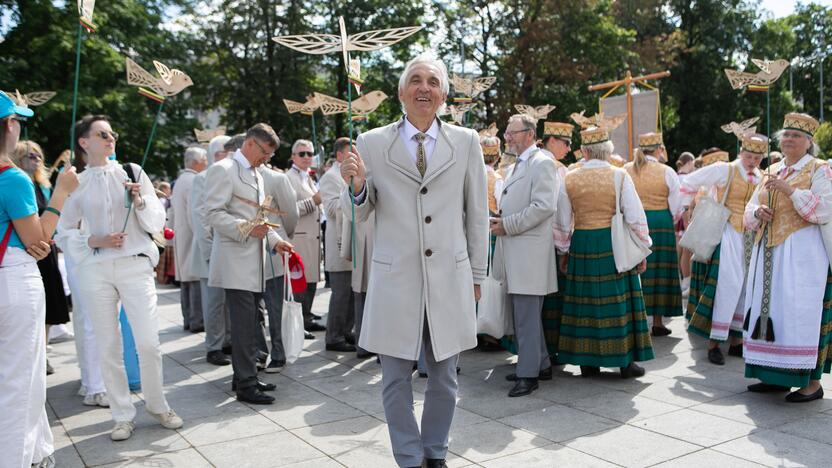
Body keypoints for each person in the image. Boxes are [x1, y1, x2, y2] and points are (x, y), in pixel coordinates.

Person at [340, 53, 487, 468]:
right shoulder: (370, 142)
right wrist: (355, 187)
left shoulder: (466, 141)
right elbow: (361, 211)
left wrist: (477, 274)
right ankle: (408, 457)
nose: (425, 87)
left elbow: (476, 214)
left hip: (450, 278)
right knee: (394, 380)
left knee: (445, 377)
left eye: (434, 81)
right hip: (395, 279)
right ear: (402, 91)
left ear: (443, 94)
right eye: (416, 80)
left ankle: (435, 452)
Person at [57, 114, 182, 441]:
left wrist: (140, 200)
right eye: (101, 134)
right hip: (95, 270)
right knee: (108, 345)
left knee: (148, 342)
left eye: (111, 133)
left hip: (134, 265)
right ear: (84, 142)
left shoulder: (132, 171)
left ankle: (158, 405)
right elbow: (63, 231)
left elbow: (157, 219)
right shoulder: (77, 182)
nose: (110, 138)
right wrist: (93, 240)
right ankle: (122, 415)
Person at [0, 90, 79, 468]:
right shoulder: (11, 178)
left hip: (12, 271)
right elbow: (39, 238)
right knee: (20, 380)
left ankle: (36, 452)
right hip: (13, 279)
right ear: (9, 126)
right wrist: (61, 194)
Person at [743, 113, 832, 402]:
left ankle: (811, 384)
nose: (789, 139)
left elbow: (822, 211)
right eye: (786, 135)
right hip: (768, 251)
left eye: (796, 136)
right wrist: (758, 212)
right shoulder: (774, 168)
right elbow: (749, 206)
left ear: (809, 142)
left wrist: (790, 191)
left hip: (803, 255)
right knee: (772, 313)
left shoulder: (820, 169)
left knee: (799, 313)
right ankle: (774, 376)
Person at [553, 125, 654, 378]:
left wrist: (564, 251)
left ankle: (587, 362)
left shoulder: (570, 178)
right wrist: (643, 248)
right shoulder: (620, 176)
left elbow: (563, 221)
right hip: (613, 243)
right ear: (607, 150)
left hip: (583, 242)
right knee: (618, 301)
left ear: (584, 151)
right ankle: (625, 362)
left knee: (584, 302)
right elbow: (634, 216)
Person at [204, 123, 293, 405]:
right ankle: (245, 383)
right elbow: (213, 214)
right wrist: (244, 228)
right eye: (265, 152)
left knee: (252, 323)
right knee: (244, 326)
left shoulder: (257, 174)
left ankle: (245, 375)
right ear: (251, 144)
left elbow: (261, 217)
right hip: (234, 262)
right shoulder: (223, 170)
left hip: (255, 263)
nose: (266, 158)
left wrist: (276, 239)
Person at [490, 113, 558, 397]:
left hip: (528, 252)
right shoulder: (520, 164)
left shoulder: (542, 163)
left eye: (512, 132)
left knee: (526, 317)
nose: (508, 137)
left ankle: (528, 375)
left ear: (530, 134)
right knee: (525, 315)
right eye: (507, 132)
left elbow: (544, 207)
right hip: (517, 251)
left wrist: (508, 224)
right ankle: (539, 364)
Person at [682, 135, 764, 365]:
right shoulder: (724, 170)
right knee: (726, 286)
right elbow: (689, 181)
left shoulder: (761, 176)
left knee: (746, 288)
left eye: (757, 157)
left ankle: (737, 341)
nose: (752, 161)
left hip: (750, 236)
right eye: (748, 156)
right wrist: (692, 206)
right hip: (727, 232)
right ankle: (714, 343)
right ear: (741, 152)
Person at [12, 141, 72, 376]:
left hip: (46, 253)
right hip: (26, 252)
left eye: (38, 154)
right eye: (30, 155)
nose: (36, 158)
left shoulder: (43, 185)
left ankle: (43, 353)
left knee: (48, 306)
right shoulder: (16, 182)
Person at [624, 133, 683, 336]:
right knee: (659, 271)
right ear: (659, 149)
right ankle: (657, 322)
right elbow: (677, 206)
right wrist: (671, 220)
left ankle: (634, 321)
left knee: (633, 268)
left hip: (632, 222)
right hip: (660, 221)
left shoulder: (625, 170)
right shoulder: (667, 171)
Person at [190, 135, 231, 365]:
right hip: (211, 249)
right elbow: (201, 216)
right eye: (221, 152)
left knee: (229, 299)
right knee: (214, 302)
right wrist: (208, 253)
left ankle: (228, 341)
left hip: (230, 249)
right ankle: (213, 346)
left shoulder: (232, 174)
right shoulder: (202, 178)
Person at [259, 157, 299, 372]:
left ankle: (278, 353)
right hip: (247, 254)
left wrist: (285, 235)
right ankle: (258, 353)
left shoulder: (276, 178)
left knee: (275, 306)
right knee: (254, 310)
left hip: (273, 250)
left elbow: (291, 213)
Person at [319, 137, 356, 352]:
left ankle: (346, 330)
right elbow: (332, 209)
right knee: (341, 294)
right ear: (340, 155)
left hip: (353, 242)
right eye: (351, 153)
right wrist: (352, 191)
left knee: (351, 293)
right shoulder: (330, 177)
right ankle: (333, 337)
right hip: (339, 244)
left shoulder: (349, 175)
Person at [286, 139, 326, 337]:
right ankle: (299, 323)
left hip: (313, 237)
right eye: (302, 154)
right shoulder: (288, 178)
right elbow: (289, 210)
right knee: (300, 282)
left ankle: (307, 317)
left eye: (310, 154)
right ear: (293, 156)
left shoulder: (308, 177)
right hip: (299, 238)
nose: (307, 157)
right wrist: (314, 201)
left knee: (311, 281)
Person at [170, 147, 208, 332]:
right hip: (192, 236)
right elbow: (194, 213)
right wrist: (201, 237)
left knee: (186, 280)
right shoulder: (193, 180)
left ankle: (188, 318)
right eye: (204, 159)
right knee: (194, 280)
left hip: (181, 235)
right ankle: (197, 320)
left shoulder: (180, 180)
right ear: (196, 162)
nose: (207, 163)